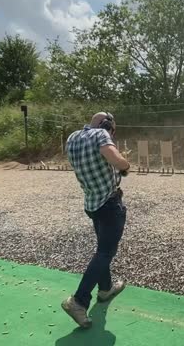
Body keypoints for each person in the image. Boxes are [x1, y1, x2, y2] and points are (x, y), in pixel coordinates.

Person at [61, 112, 131, 328]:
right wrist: (125, 164)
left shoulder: (72, 138)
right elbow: (114, 158)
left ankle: (105, 288)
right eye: (112, 130)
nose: (111, 134)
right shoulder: (101, 134)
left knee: (103, 248)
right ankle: (79, 300)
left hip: (92, 203)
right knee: (105, 253)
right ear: (107, 125)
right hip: (109, 203)